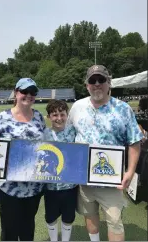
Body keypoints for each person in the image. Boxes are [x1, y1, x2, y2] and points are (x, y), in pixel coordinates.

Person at [67, 65, 144, 241]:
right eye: (92, 81)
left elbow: (134, 142)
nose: (97, 84)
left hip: (111, 179)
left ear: (109, 82)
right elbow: (70, 138)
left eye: (101, 80)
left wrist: (130, 171)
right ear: (87, 85)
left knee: (115, 221)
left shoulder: (123, 109)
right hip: (84, 178)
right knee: (89, 214)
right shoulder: (77, 107)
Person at [0, 78, 46, 241]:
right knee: (9, 231)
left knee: (28, 228)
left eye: (32, 92)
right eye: (24, 91)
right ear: (16, 93)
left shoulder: (39, 118)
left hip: (34, 187)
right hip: (8, 188)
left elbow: (44, 147)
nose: (29, 95)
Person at [43, 99, 77, 241]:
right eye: (55, 115)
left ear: (67, 115)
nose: (59, 118)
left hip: (70, 185)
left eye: (62, 114)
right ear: (49, 117)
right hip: (50, 185)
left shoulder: (73, 131)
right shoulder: (44, 134)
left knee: (68, 217)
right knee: (50, 217)